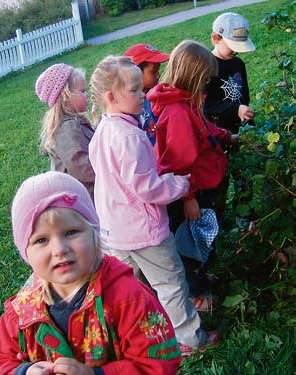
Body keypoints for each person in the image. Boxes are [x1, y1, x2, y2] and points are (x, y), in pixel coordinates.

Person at [0, 171, 183, 375]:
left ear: (94, 233)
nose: (59, 249)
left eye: (71, 232)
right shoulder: (20, 314)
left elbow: (159, 361)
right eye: (41, 240)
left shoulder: (129, 298)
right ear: (26, 252)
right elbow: (1, 365)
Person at [89, 54, 219, 356]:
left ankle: (124, 337)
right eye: (134, 90)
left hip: (115, 230)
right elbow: (147, 188)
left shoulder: (102, 131)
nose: (143, 94)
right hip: (146, 231)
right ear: (112, 96)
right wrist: (180, 183)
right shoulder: (130, 137)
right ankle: (189, 339)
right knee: (171, 284)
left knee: (124, 288)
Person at [147, 40, 239, 311]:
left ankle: (202, 275)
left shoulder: (185, 103)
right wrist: (188, 198)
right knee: (192, 242)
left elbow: (204, 127)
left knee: (204, 237)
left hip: (201, 186)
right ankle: (196, 295)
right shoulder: (176, 112)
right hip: (193, 192)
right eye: (205, 80)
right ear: (194, 77)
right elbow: (178, 162)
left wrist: (225, 137)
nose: (207, 86)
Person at [36, 63, 95, 202]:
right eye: (82, 91)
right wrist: (110, 174)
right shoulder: (65, 129)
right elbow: (83, 168)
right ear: (65, 96)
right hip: (81, 198)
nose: (87, 95)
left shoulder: (74, 121)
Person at [203, 12, 256, 134]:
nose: (236, 51)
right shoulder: (207, 68)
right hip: (220, 129)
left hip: (242, 123)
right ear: (215, 38)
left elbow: (244, 95)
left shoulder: (238, 63)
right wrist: (235, 109)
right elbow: (208, 106)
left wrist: (245, 112)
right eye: (232, 46)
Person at [124, 43, 169, 145]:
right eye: (154, 71)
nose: (158, 75)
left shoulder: (157, 93)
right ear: (135, 73)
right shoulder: (128, 106)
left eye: (158, 70)